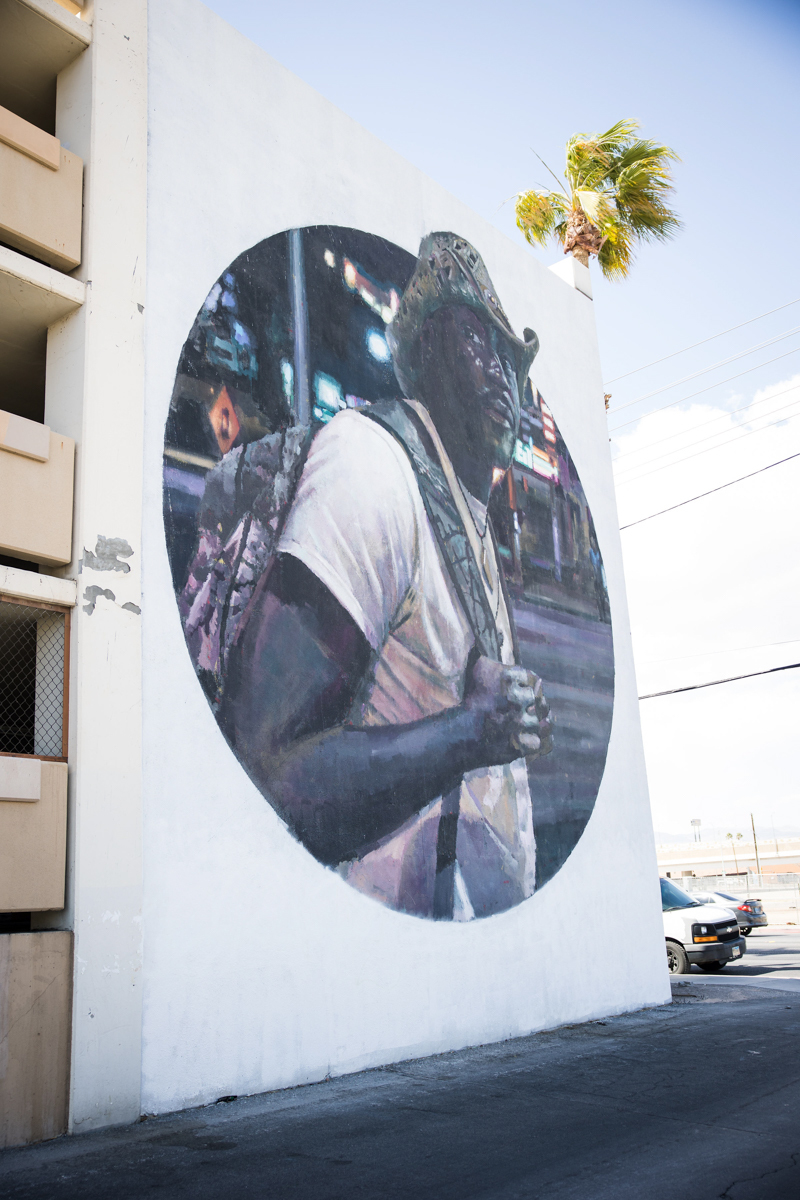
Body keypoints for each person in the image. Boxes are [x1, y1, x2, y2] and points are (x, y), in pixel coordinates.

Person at [223, 232, 554, 920]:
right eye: (478, 343)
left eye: (511, 360)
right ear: (427, 351)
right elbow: (273, 768)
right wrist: (473, 731)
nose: (503, 377)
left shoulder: (466, 509)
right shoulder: (374, 467)